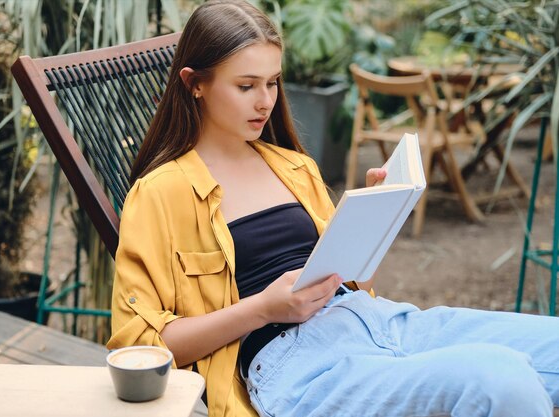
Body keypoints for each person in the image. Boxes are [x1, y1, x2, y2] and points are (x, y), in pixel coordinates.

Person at [106, 1, 559, 416]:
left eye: (272, 82)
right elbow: (145, 345)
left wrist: (373, 221)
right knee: (502, 380)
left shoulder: (294, 167)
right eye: (246, 86)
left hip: (381, 324)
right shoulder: (161, 192)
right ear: (195, 84)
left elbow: (355, 284)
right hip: (299, 364)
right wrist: (262, 309)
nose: (265, 101)